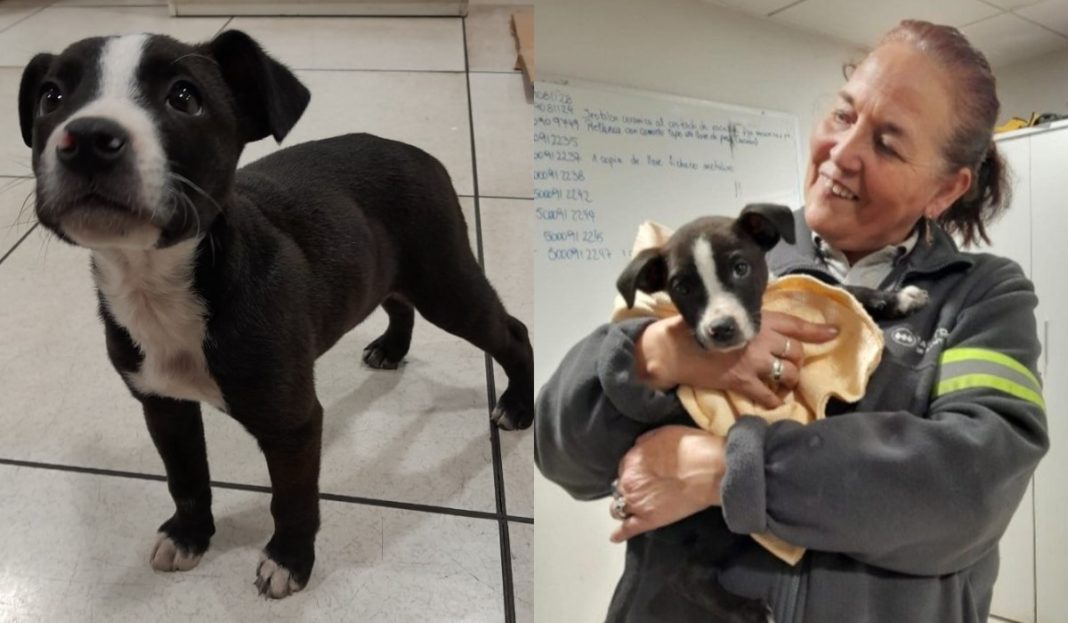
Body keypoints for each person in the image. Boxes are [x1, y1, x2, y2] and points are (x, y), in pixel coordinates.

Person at [535, 20, 1050, 623]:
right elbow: (562, 455)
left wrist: (727, 470)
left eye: (886, 143)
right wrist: (653, 354)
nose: (843, 152)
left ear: (944, 189)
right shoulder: (731, 265)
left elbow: (971, 488)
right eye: (842, 115)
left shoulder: (983, 297)